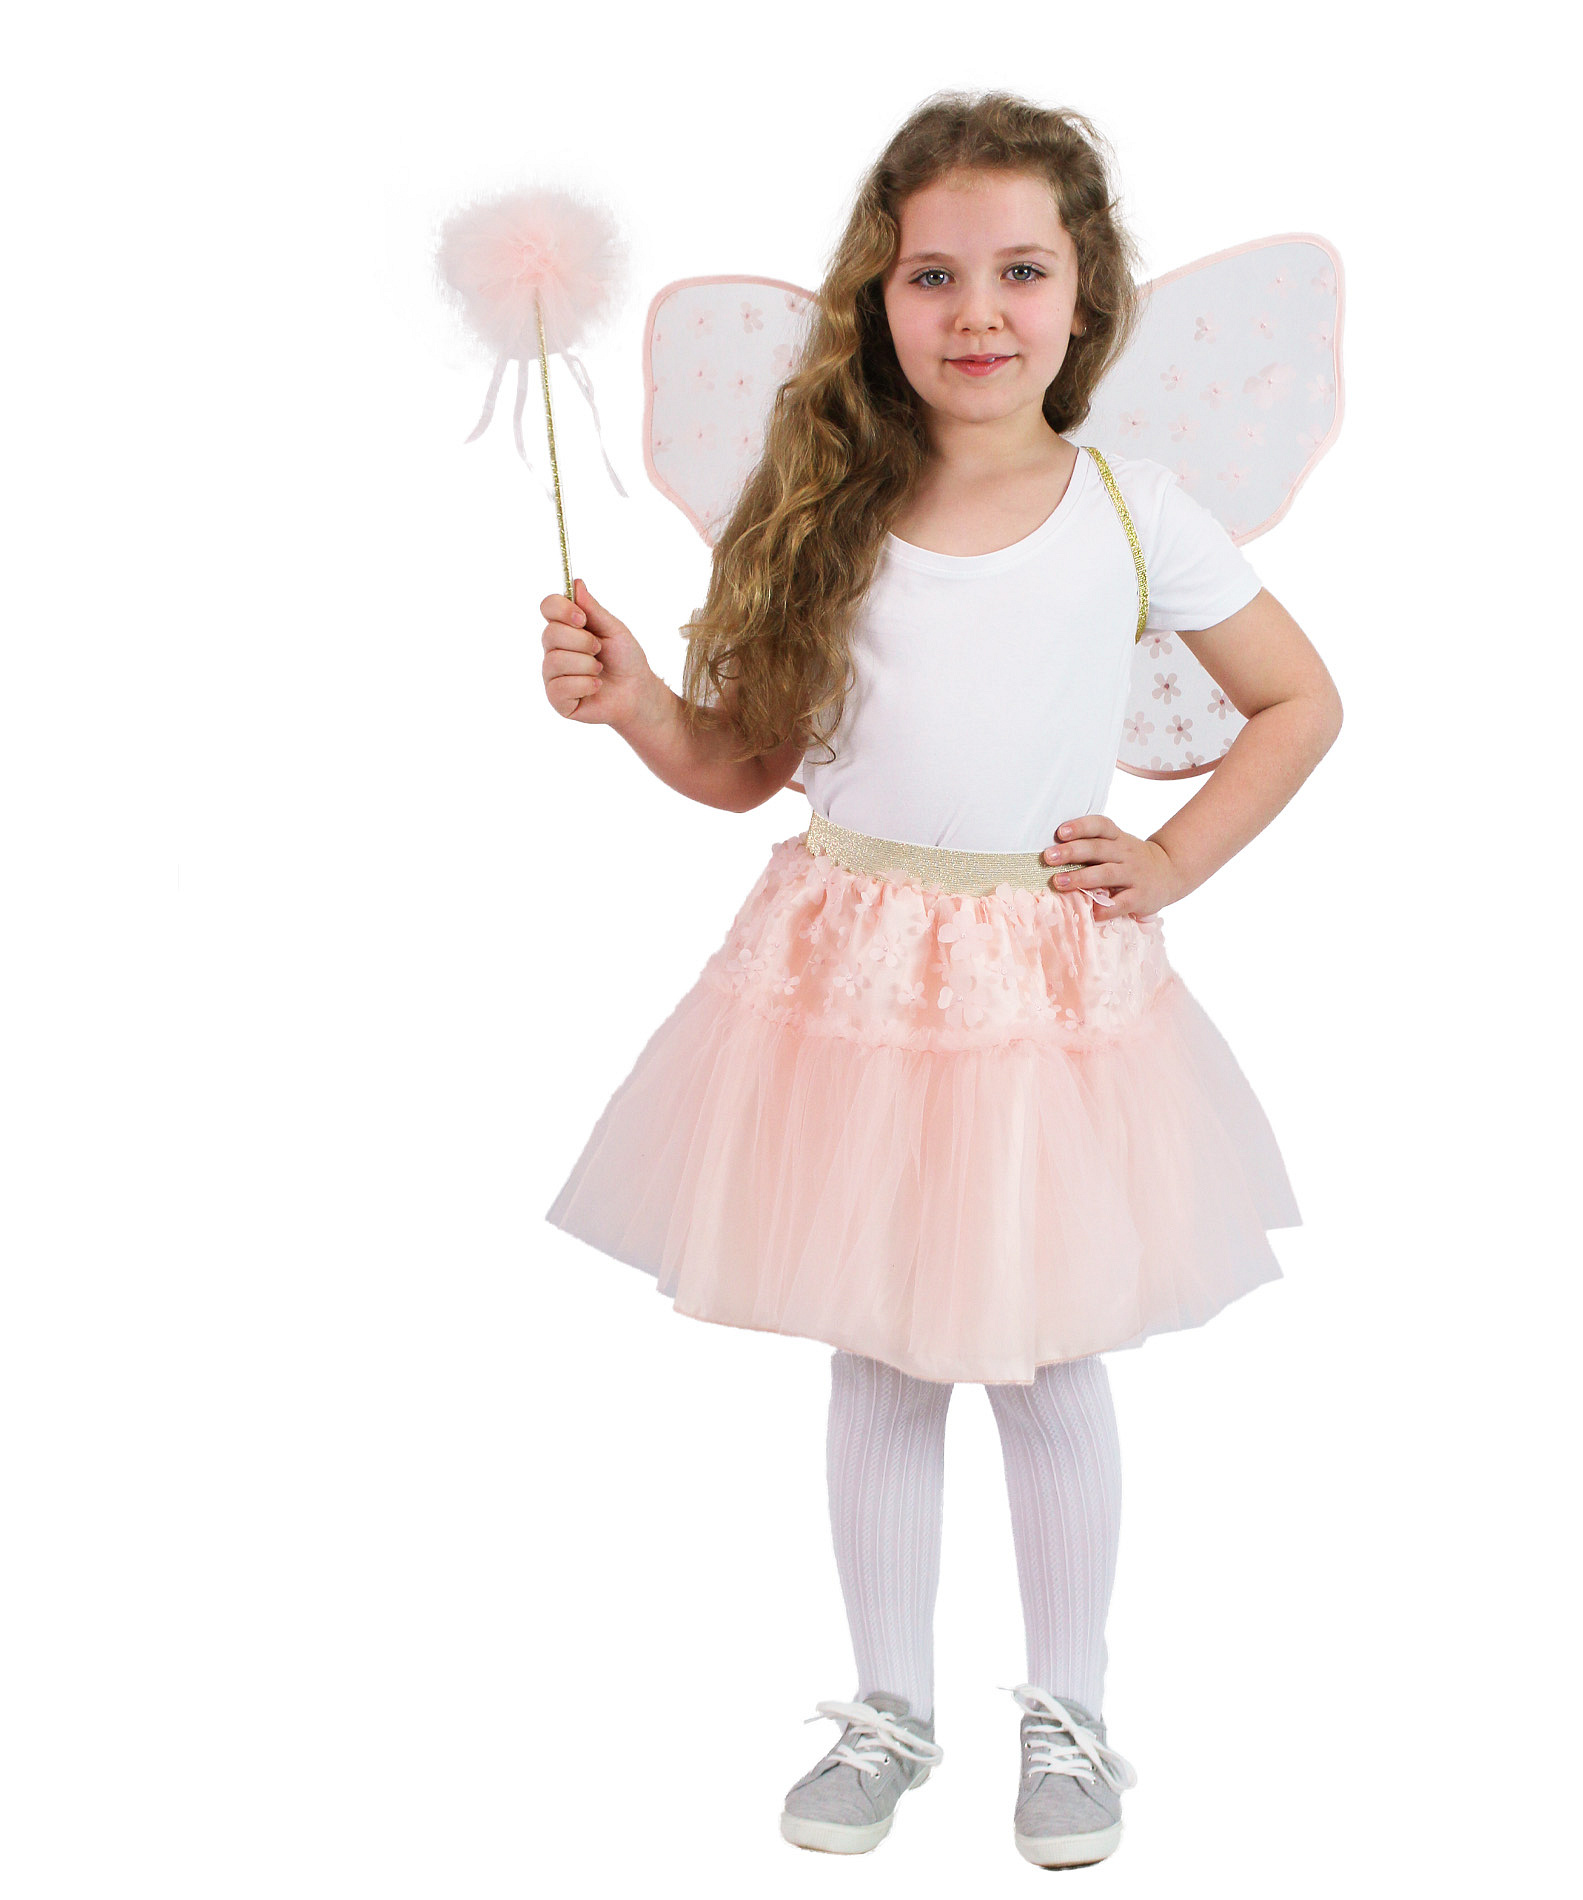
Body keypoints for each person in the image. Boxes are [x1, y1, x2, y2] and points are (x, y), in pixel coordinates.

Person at [536, 91, 1342, 1869]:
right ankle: (887, 1711)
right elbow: (745, 764)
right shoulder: (823, 507)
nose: (979, 310)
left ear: (1086, 294)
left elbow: (1301, 701)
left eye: (1021, 271)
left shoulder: (1132, 508)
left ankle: (1073, 1718)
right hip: (852, 977)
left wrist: (1175, 861)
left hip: (1038, 992)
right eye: (934, 275)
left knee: (1045, 1358)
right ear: (877, 297)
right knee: (884, 1354)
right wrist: (639, 705)